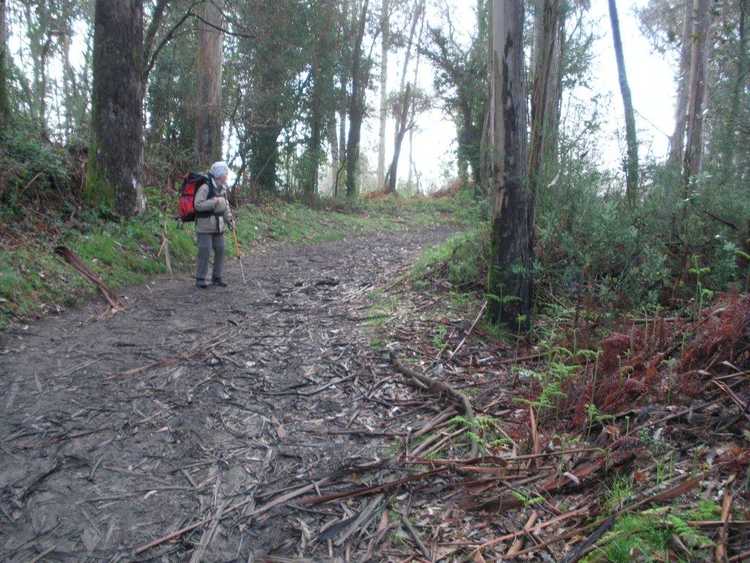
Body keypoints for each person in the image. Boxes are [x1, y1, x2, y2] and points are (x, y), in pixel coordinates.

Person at [194, 161, 234, 289]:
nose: (226, 176)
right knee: (204, 251)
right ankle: (200, 279)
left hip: (219, 226)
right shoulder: (205, 187)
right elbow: (198, 205)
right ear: (219, 174)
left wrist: (230, 221)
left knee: (221, 249)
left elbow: (225, 207)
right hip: (204, 226)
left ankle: (216, 277)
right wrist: (214, 202)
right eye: (225, 174)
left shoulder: (223, 188)